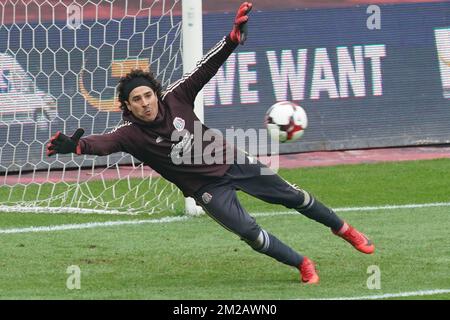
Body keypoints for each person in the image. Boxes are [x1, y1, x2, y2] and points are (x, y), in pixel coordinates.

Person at [47, 2, 374, 284]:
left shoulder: (177, 97)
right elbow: (102, 144)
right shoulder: (130, 135)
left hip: (232, 160)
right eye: (137, 99)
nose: (145, 102)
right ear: (128, 107)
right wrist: (75, 146)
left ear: (155, 94)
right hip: (206, 188)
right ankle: (303, 263)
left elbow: (207, 66)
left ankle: (343, 229)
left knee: (293, 197)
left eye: (148, 95)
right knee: (250, 234)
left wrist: (233, 38)